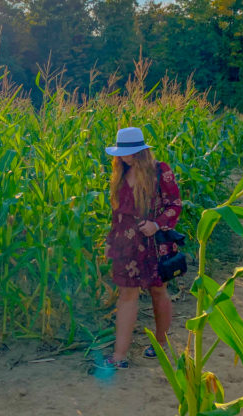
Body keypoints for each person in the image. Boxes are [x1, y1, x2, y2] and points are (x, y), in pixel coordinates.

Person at [101, 126, 182, 368]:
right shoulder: (120, 174)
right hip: (127, 246)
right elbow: (117, 215)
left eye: (128, 153)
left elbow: (175, 204)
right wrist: (109, 241)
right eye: (121, 153)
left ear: (140, 152)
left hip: (154, 244)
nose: (123, 157)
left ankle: (161, 343)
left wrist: (157, 225)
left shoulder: (160, 171)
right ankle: (119, 357)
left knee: (158, 292)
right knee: (127, 295)